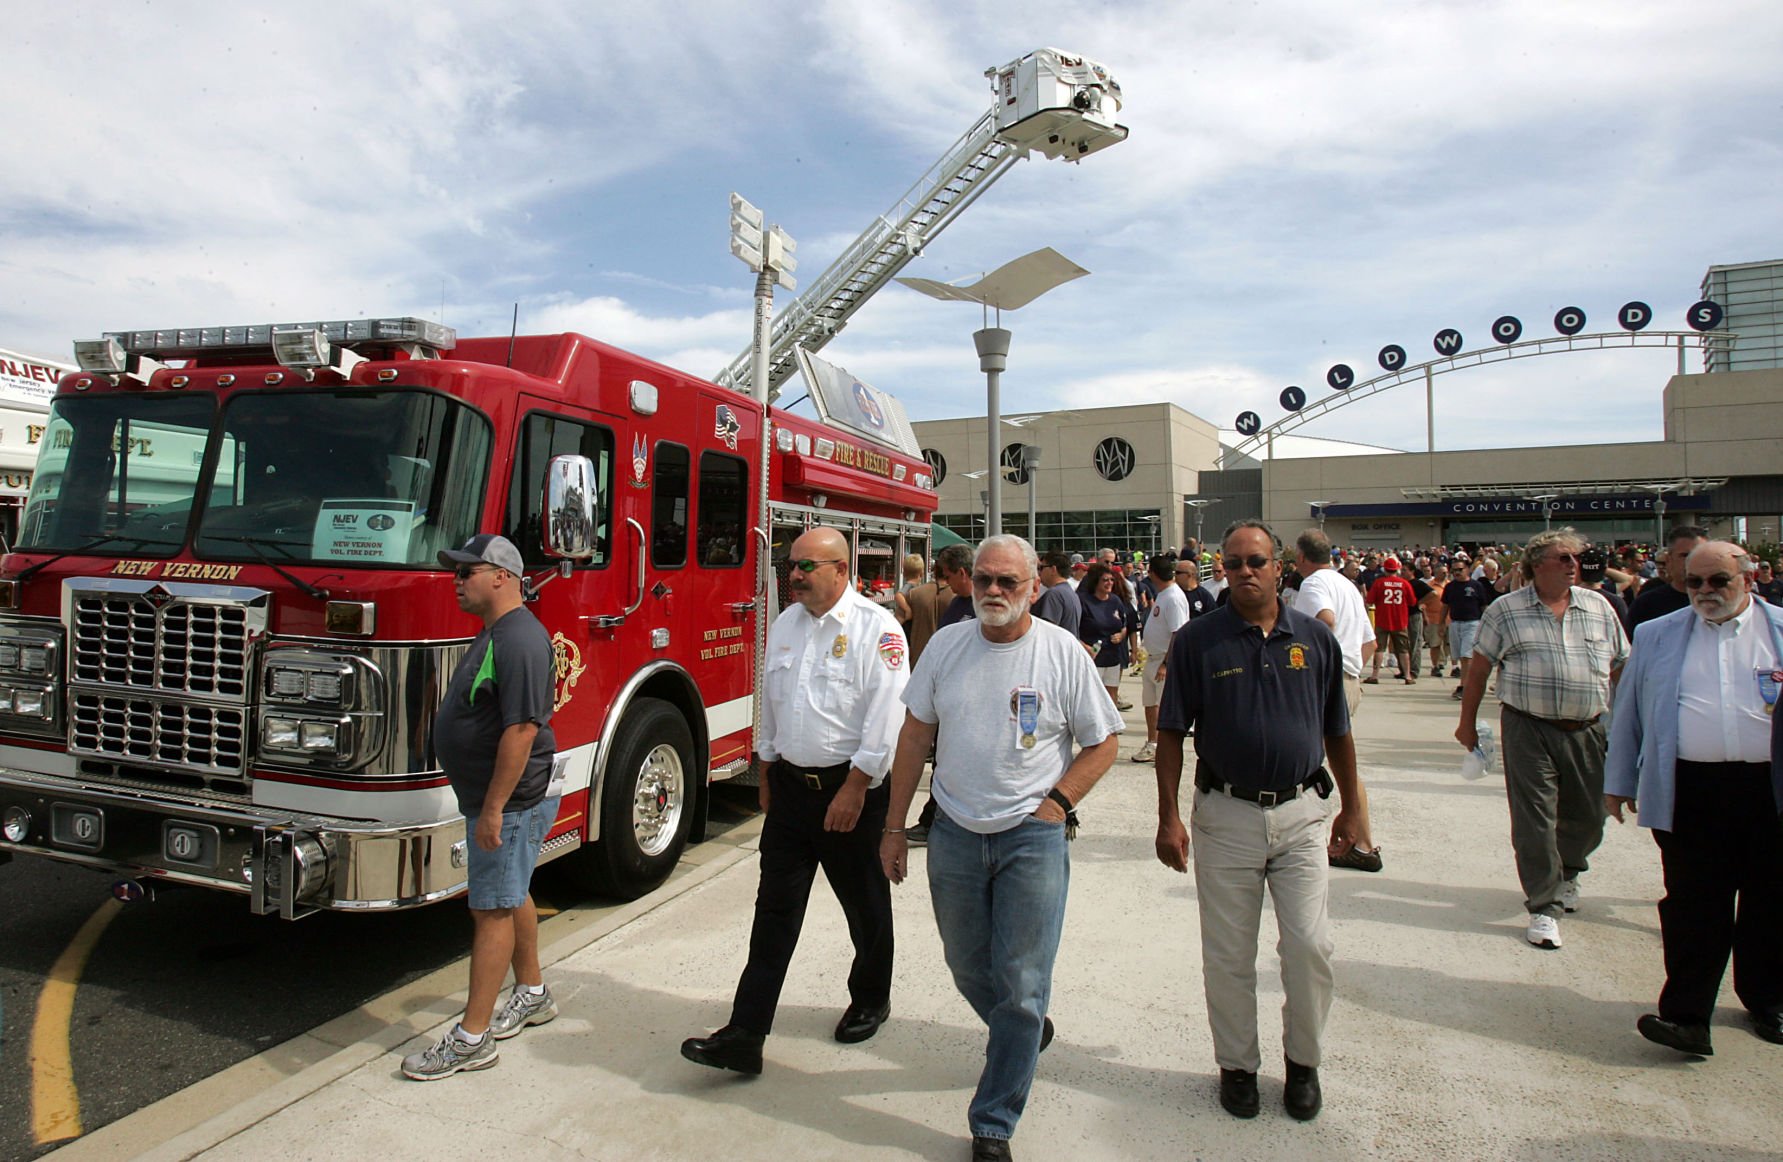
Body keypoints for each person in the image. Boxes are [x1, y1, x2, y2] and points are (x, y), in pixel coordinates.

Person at [880, 535, 1123, 1161]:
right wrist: (893, 826)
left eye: (1008, 582)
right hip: (956, 832)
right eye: (984, 579)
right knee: (967, 966)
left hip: (1032, 839)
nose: (993, 591)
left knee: (1020, 981)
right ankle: (1024, 1030)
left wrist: (1058, 804)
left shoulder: (1062, 654)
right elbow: (914, 737)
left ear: (1032, 589)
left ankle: (993, 1122)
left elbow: (1103, 743)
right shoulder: (946, 648)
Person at [1154, 520, 1371, 1123]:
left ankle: (1303, 1064)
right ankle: (1238, 1067)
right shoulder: (1198, 641)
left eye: (1257, 561)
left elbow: (1338, 732)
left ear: (1281, 567)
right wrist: (1169, 815)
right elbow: (1171, 731)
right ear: (1221, 568)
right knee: (1228, 954)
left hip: (1301, 815)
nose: (1245, 571)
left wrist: (1352, 808)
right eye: (1233, 562)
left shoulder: (1316, 639)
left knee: (1309, 946)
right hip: (1225, 816)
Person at [681, 527, 909, 1075]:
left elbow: (887, 716)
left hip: (849, 794)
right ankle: (746, 1032)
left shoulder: (876, 629)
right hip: (790, 792)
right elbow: (773, 699)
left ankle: (872, 996)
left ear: (841, 569)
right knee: (774, 911)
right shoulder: (786, 624)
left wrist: (857, 786)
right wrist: (765, 765)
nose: (796, 574)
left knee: (864, 905)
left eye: (808, 566)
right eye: (792, 565)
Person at [1604, 541, 1783, 1057]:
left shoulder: (1779, 630)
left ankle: (1768, 1000)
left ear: (1748, 579)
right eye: (1693, 582)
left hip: (1770, 790)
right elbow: (1629, 711)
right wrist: (1619, 782)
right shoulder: (1657, 635)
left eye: (1718, 581)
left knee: (1771, 900)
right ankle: (1686, 1017)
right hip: (1691, 790)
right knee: (1692, 906)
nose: (1705, 592)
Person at [402, 534, 561, 1080]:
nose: (457, 580)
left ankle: (472, 1038)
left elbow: (521, 729)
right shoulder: (497, 632)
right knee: (512, 895)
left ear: (501, 576)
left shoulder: (518, 640)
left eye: (467, 571)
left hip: (509, 803)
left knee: (490, 909)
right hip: (500, 801)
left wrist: (494, 809)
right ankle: (534, 994)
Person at [1455, 528, 1628, 951]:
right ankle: (1543, 906)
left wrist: (1626, 725)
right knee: (1534, 819)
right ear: (1536, 565)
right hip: (1527, 726)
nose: (1574, 564)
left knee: (1589, 817)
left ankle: (1569, 872)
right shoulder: (1506, 610)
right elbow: (1478, 670)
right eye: (1563, 557)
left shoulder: (1599, 607)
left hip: (1588, 728)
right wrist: (1467, 722)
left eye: (1577, 558)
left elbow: (1622, 665)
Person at [1133, 553, 1189, 764]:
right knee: (1150, 704)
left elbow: (1178, 633)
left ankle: (1162, 747)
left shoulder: (1174, 597)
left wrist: (1167, 663)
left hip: (1164, 661)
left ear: (1153, 574)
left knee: (1162, 707)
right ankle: (1152, 742)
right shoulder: (1164, 594)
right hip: (1153, 658)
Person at [1077, 561, 1137, 710]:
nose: (1110, 583)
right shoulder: (1083, 601)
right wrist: (1085, 647)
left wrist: (1121, 635)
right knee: (1093, 697)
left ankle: (1110, 728)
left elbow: (1124, 625)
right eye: (1105, 580)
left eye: (1111, 580)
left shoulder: (1115, 600)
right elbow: (1073, 631)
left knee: (1111, 695)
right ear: (1095, 582)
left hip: (1113, 657)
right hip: (1093, 659)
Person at [1629, 527, 1708, 630]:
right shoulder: (1647, 604)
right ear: (1669, 559)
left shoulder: (1719, 600)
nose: (1692, 561)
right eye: (1685, 555)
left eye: (1699, 555)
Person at [908, 544, 974, 662]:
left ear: (962, 573)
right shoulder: (956, 603)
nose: (947, 582)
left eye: (948, 577)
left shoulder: (986, 607)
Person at [1443, 563, 1495, 699]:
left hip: (1472, 623)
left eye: (1460, 570)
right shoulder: (1450, 587)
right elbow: (1445, 606)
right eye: (1454, 570)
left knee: (1467, 656)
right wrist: (1440, 624)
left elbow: (1484, 606)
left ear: (1467, 570)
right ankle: (1467, 683)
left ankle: (1464, 686)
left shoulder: (1476, 586)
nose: (1457, 572)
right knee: (1460, 656)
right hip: (1455, 623)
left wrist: (1489, 624)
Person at [1365, 558, 1418, 685]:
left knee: (1379, 649)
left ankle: (1375, 675)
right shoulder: (1405, 583)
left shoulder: (1379, 583)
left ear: (1385, 569)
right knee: (1403, 649)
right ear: (1396, 569)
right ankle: (1407, 676)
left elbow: (1370, 600)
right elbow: (1412, 602)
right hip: (1400, 621)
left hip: (1382, 620)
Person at [1033, 549, 1081, 637]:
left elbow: (1048, 632)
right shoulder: (1071, 593)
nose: (1039, 572)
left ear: (1053, 569)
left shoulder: (1054, 594)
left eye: (1041, 568)